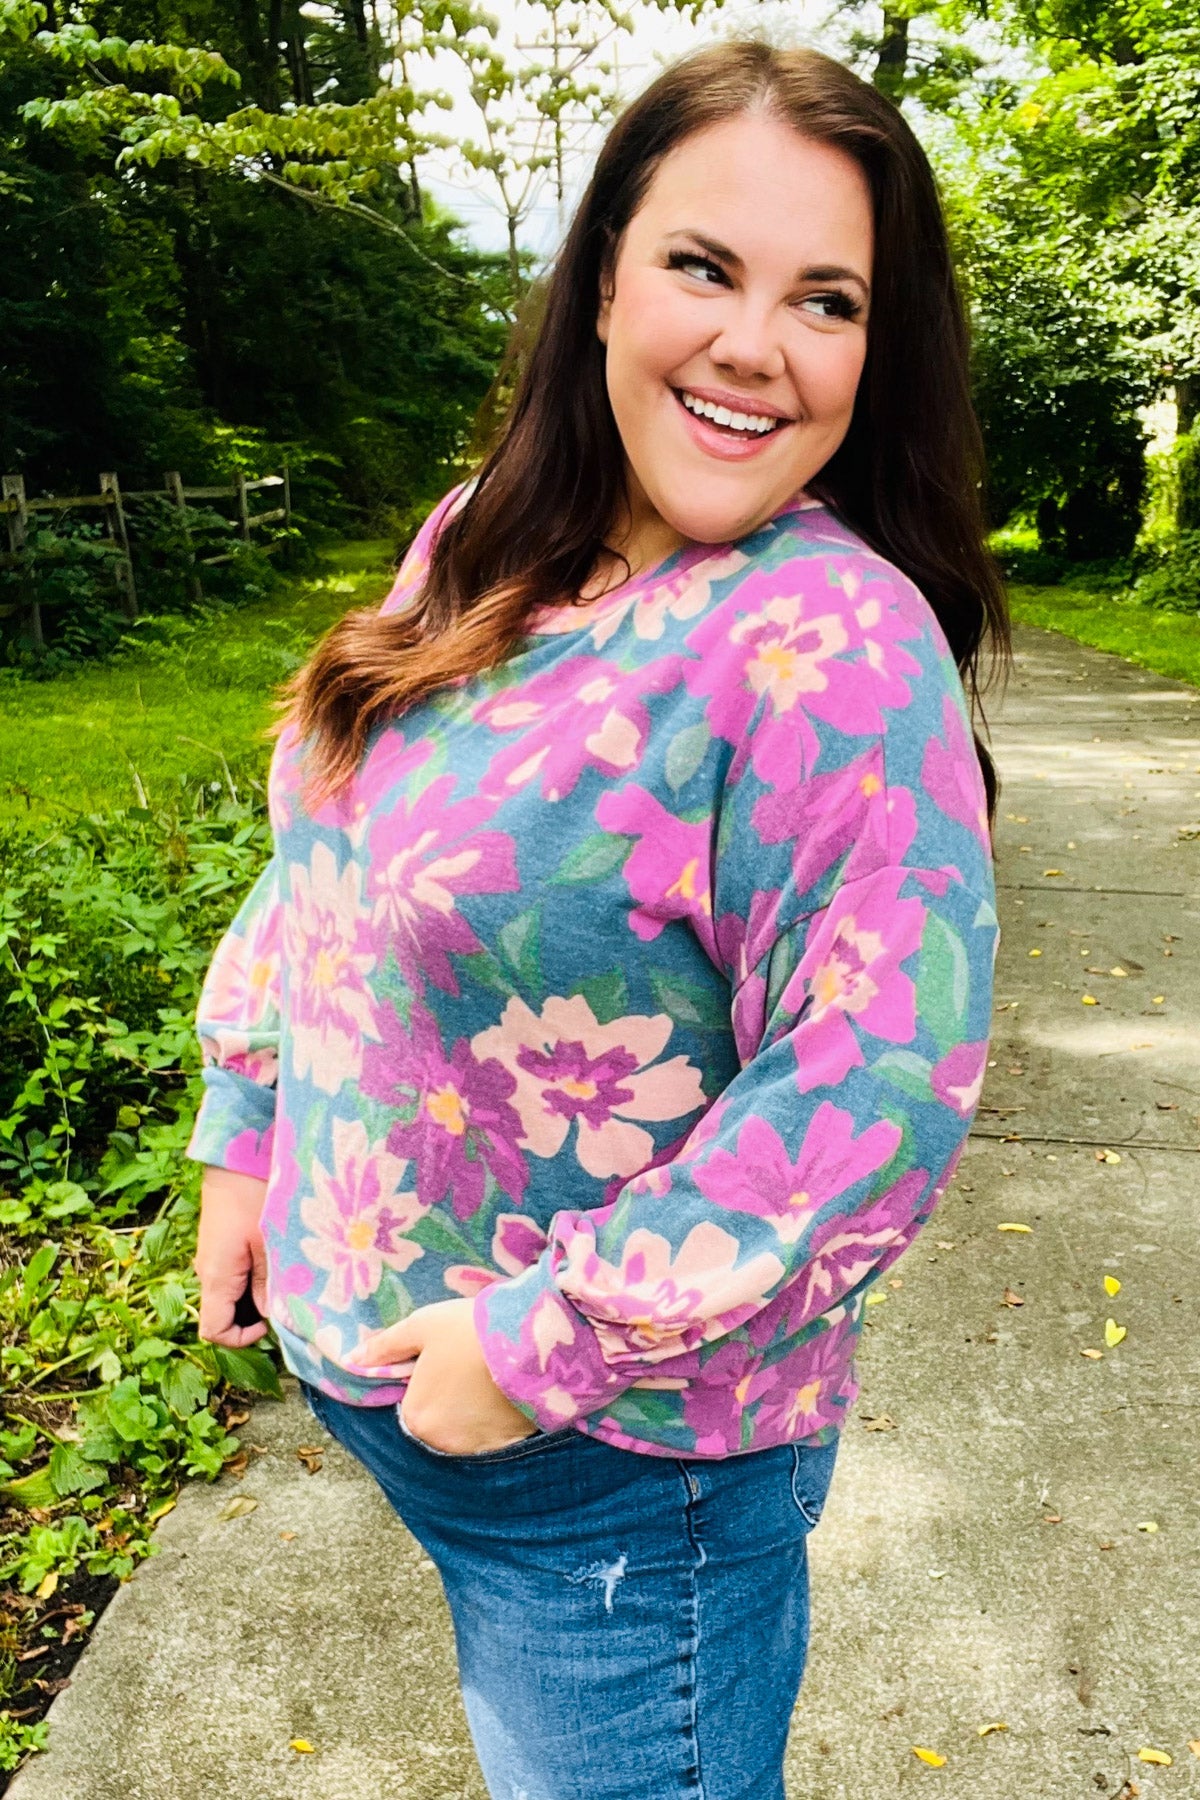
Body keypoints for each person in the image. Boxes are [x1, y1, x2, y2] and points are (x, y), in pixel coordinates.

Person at [189, 37, 1007, 1800]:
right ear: (606, 279)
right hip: (422, 1404)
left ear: (877, 353)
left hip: (616, 1488)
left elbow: (875, 1094)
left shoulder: (831, 652)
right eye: (706, 265)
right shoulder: (487, 535)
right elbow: (331, 853)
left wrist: (539, 1344)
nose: (756, 343)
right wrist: (248, 1131)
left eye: (828, 300)